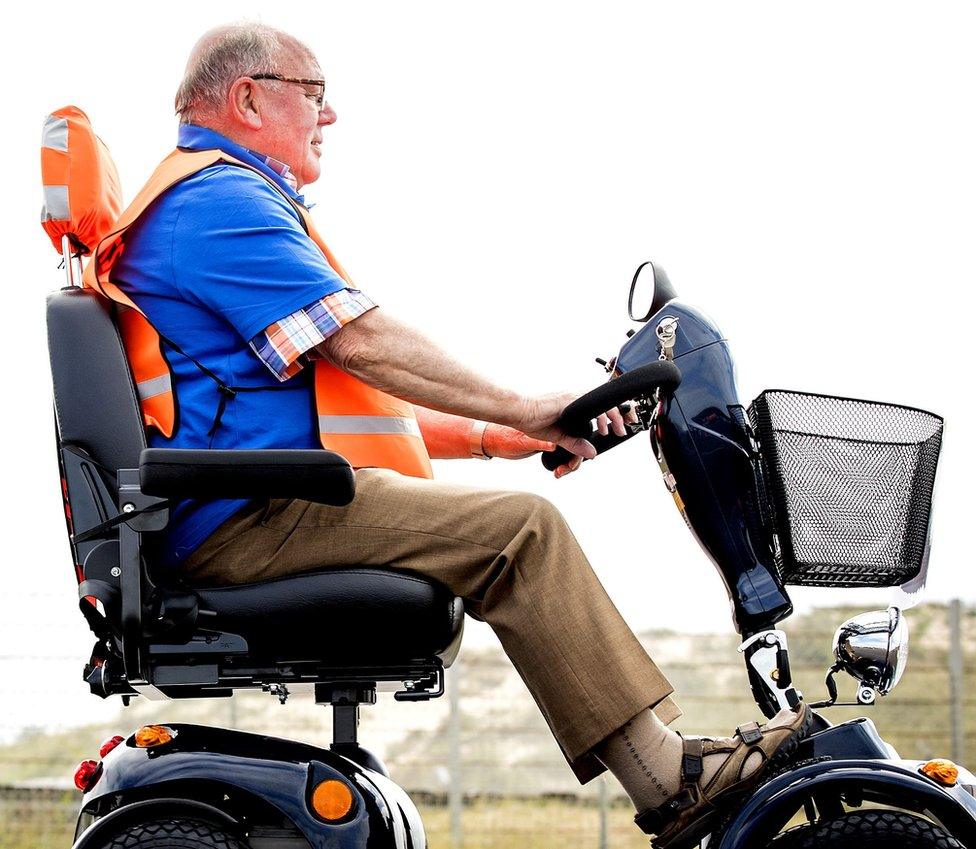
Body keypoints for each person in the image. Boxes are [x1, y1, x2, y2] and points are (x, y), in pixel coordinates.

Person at [107, 22, 810, 847]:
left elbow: (345, 396)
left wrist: (490, 436)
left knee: (511, 510)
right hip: (250, 515)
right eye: (315, 93)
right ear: (248, 98)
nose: (328, 116)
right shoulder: (218, 201)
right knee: (521, 531)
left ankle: (666, 768)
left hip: (257, 500)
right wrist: (521, 406)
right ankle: (667, 779)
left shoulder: (208, 200)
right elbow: (361, 341)